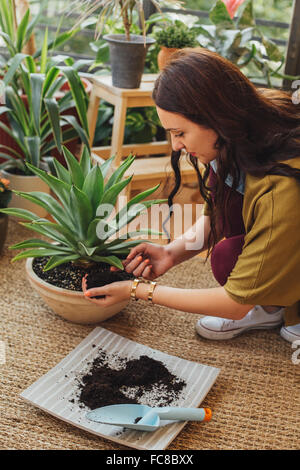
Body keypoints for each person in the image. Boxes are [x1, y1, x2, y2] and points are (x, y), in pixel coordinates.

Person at [82, 48, 300, 344]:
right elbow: (217, 219)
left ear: (215, 118)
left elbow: (233, 304)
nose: (175, 145)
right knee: (227, 256)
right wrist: (171, 254)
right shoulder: (238, 132)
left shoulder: (282, 188)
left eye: (180, 133)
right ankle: (273, 306)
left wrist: (136, 290)